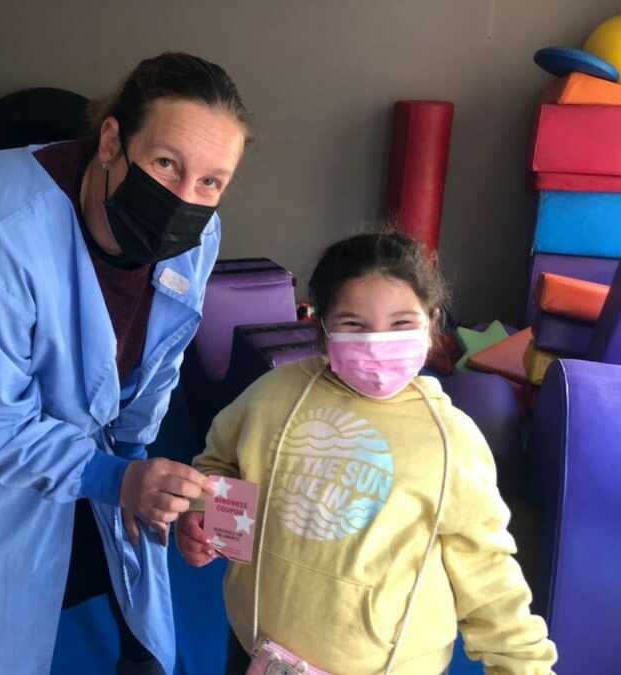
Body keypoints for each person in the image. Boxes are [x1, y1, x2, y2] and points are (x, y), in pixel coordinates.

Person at [0, 52, 250, 675]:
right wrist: (117, 479)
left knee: (129, 590)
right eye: (165, 162)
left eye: (211, 181)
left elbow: (161, 359)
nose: (185, 198)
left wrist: (134, 465)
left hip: (79, 434)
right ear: (112, 140)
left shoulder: (197, 233)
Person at [176, 231, 558, 674]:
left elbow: (486, 567)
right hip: (256, 650)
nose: (378, 342)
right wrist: (208, 519)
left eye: (400, 324)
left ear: (432, 322)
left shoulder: (451, 440)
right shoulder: (273, 396)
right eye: (354, 325)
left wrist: (523, 665)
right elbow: (223, 462)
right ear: (321, 326)